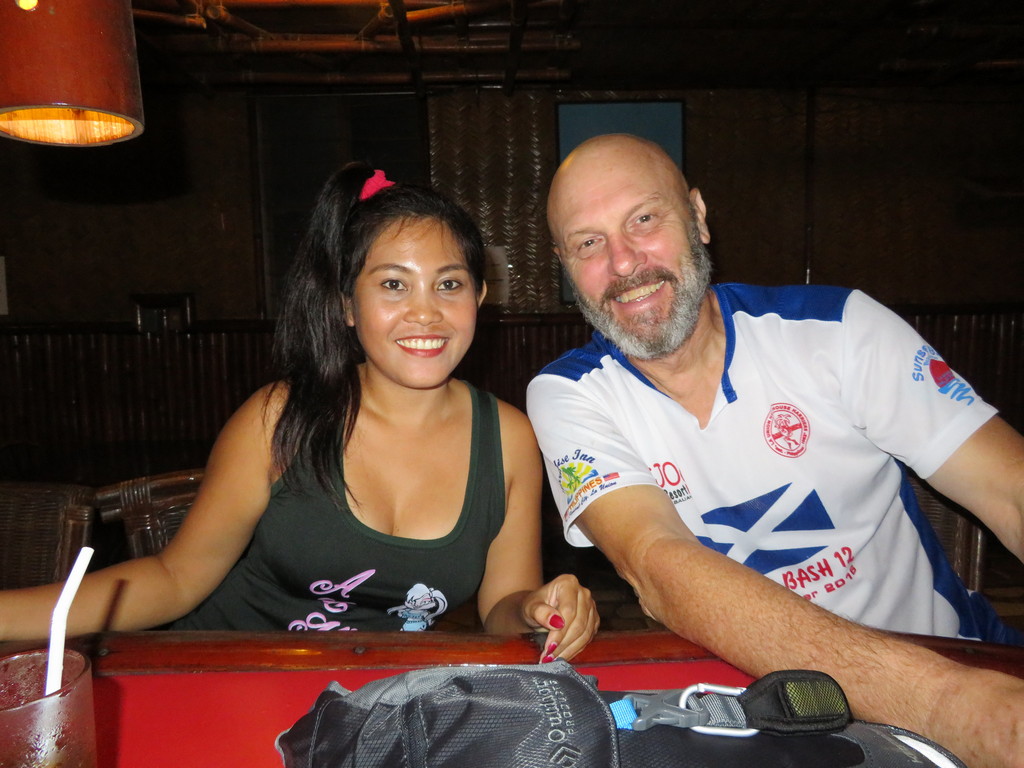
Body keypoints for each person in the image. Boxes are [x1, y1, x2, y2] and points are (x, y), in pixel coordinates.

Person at [527, 133, 1024, 766]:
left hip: (950, 663)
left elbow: (1010, 490)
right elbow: (656, 565)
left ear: (698, 217)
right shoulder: (568, 394)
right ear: (564, 265)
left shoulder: (838, 329)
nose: (623, 264)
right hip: (757, 713)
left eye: (644, 220)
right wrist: (949, 709)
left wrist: (967, 707)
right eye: (588, 243)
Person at [0, 163, 598, 662]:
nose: (426, 313)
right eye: (393, 285)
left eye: (449, 284)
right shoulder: (278, 417)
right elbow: (174, 579)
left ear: (480, 297)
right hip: (230, 678)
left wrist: (536, 609)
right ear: (347, 306)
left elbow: (501, 608)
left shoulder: (509, 438)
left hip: (372, 702)